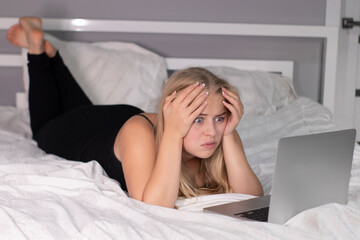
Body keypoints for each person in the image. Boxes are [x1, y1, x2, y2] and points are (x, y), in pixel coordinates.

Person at [7, 17, 264, 208]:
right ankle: (38, 51)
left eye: (219, 118)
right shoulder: (144, 135)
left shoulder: (218, 131)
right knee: (44, 129)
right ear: (173, 114)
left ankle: (52, 55)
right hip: (95, 130)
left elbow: (252, 197)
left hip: (116, 119)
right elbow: (153, 206)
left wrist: (230, 134)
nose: (212, 131)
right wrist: (173, 136)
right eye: (197, 119)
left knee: (84, 109)